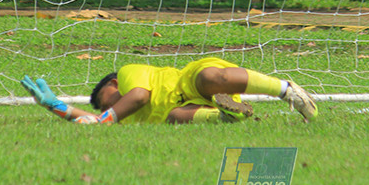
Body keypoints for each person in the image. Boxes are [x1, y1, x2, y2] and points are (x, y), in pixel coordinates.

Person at [21, 57, 318, 125]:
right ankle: (228, 116)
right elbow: (92, 121)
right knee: (175, 117)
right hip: (187, 108)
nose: (106, 110)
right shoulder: (121, 118)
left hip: (187, 83)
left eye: (106, 103)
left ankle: (285, 90)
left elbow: (139, 97)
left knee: (211, 76)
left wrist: (103, 119)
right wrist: (54, 105)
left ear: (114, 85)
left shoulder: (127, 74)